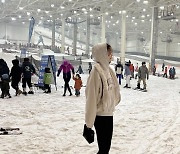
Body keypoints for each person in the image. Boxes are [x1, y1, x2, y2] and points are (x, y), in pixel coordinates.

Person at [85, 43, 121, 154]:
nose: (111, 56)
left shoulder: (109, 71)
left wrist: (114, 102)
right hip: (100, 116)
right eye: (109, 54)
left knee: (106, 148)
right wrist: (88, 124)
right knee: (104, 149)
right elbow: (91, 98)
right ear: (103, 54)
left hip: (109, 114)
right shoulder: (96, 72)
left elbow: (113, 90)